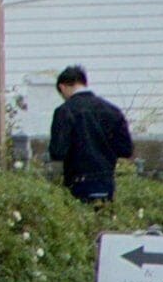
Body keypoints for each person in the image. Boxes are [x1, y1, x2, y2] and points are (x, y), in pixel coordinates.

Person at [48, 65, 135, 203]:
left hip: (78, 181)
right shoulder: (112, 111)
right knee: (104, 219)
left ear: (63, 87)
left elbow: (58, 151)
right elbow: (126, 149)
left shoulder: (65, 111)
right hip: (106, 181)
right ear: (84, 83)